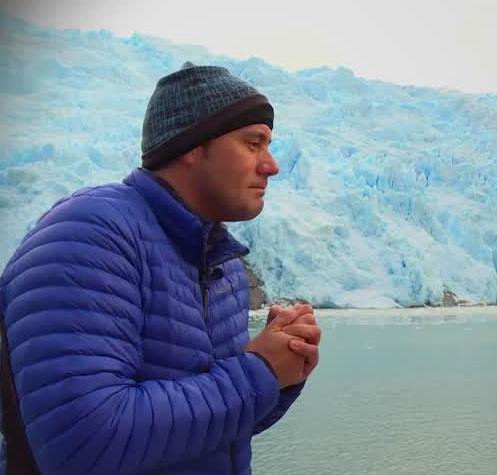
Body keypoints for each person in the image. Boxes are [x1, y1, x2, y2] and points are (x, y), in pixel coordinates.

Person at [0, 62, 321, 475]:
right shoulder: (90, 234)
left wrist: (282, 372)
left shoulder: (219, 265)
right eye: (253, 143)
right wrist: (258, 371)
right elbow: (85, 446)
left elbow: (207, 433)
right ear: (190, 145)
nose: (271, 165)